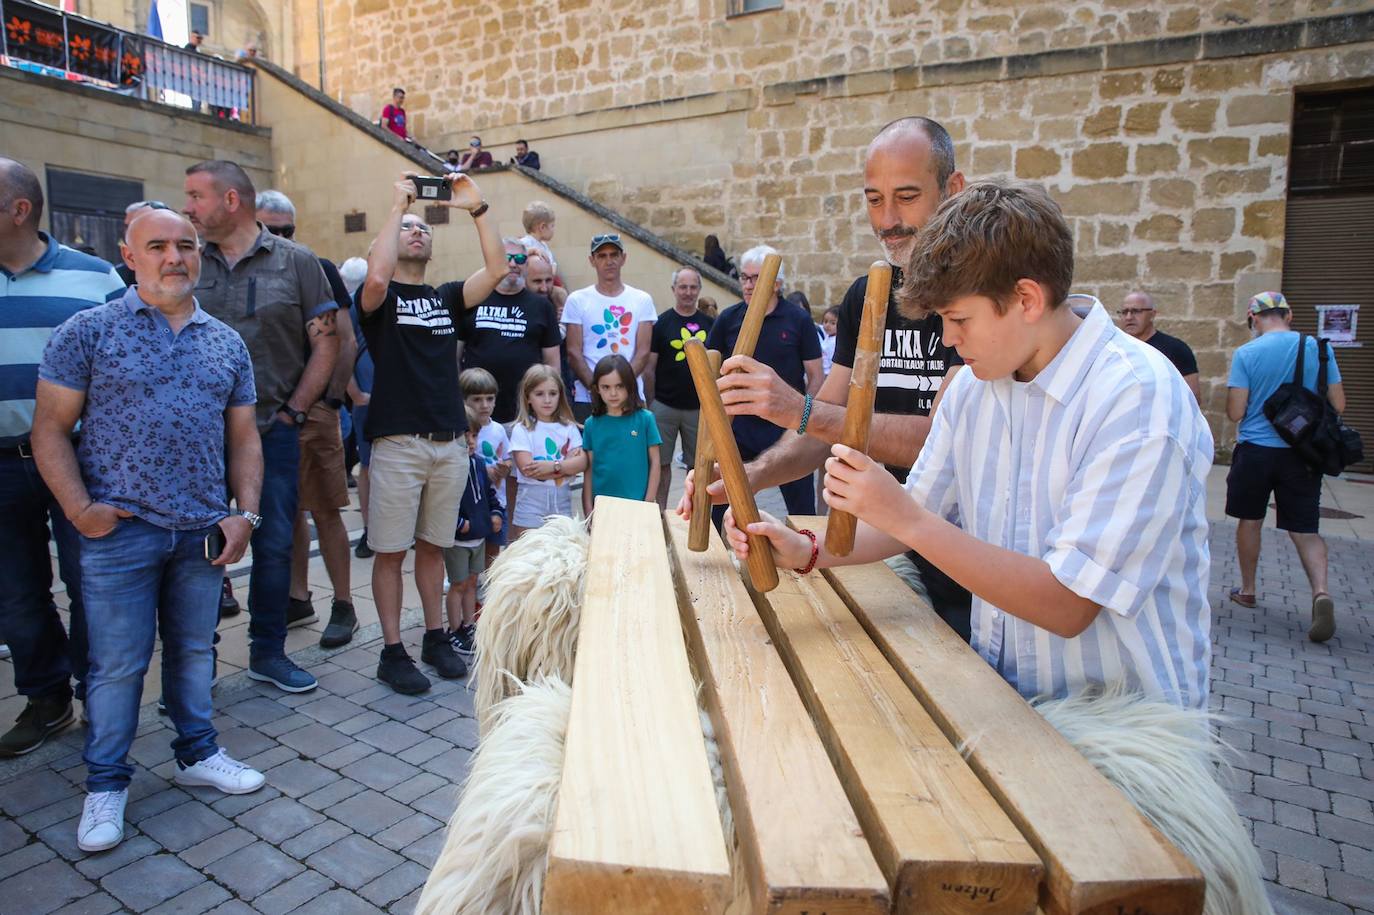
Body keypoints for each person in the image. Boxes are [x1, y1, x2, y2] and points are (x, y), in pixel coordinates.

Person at [720, 181, 1213, 711]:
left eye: (958, 320)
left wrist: (905, 516)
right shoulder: (976, 387)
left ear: (1026, 298)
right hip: (1007, 699)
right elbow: (915, 515)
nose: (950, 340)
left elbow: (1068, 604)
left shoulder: (1137, 400)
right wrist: (807, 551)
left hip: (1117, 721)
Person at [681, 116, 972, 640]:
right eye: (873, 199)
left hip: (970, 559)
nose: (888, 220)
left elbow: (940, 444)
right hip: (886, 547)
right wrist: (744, 479)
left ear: (953, 189)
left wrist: (798, 408)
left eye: (906, 197)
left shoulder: (975, 301)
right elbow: (826, 430)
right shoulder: (867, 294)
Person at [32, 207, 267, 853]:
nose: (174, 257)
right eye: (158, 245)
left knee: (195, 650)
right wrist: (81, 511)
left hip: (199, 532)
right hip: (119, 533)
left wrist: (243, 514)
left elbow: (244, 436)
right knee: (116, 667)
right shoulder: (88, 331)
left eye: (186, 245)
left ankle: (197, 753)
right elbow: (49, 429)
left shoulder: (225, 341)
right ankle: (106, 782)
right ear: (128, 254)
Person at [183, 159, 340, 694]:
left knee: (273, 543)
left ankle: (267, 652)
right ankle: (192, 668)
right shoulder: (186, 261)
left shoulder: (296, 262)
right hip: (195, 436)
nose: (187, 208)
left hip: (272, 429)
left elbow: (327, 341)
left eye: (196, 196)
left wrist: (296, 412)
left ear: (231, 200)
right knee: (194, 550)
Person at [357, 172, 506, 694]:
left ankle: (435, 636)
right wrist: (397, 206)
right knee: (391, 551)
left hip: (449, 444)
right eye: (408, 228)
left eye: (424, 228)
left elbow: (497, 269)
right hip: (399, 443)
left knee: (433, 547)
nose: (418, 232)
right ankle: (392, 650)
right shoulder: (379, 298)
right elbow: (375, 282)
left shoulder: (444, 298)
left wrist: (477, 208)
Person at [0, 158, 122, 758]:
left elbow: (132, 367)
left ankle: (100, 696)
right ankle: (47, 699)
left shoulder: (97, 277)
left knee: (91, 583)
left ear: (19, 210)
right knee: (16, 593)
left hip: (80, 461)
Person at [255, 190, 361, 649]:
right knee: (285, 512)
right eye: (270, 229)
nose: (279, 238)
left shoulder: (317, 267)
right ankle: (298, 597)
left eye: (286, 230)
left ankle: (344, 603)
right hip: (263, 416)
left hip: (313, 411)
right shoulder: (242, 271)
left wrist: (330, 401)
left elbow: (345, 339)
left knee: (326, 508)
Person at [1225, 291, 1345, 642]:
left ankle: (1247, 589)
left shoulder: (1246, 353)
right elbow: (1338, 402)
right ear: (1288, 315)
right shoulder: (1319, 348)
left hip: (1256, 451)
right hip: (1302, 454)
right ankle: (1321, 592)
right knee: (1305, 530)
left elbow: (1235, 412)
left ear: (1253, 318)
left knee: (1250, 520)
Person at [705, 244, 823, 520]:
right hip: (740, 425)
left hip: (784, 426)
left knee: (801, 507)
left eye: (755, 278)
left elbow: (816, 375)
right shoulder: (729, 318)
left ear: (776, 283)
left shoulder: (798, 319)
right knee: (722, 497)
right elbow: (712, 370)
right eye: (744, 277)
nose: (747, 284)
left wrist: (804, 418)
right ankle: (718, 555)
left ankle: (806, 556)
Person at [458, 238, 561, 424]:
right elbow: (453, 357)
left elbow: (552, 365)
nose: (513, 264)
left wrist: (548, 410)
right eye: (506, 257)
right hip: (476, 416)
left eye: (520, 258)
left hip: (525, 416)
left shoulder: (542, 306)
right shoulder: (472, 299)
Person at [562, 233, 657, 421]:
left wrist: (621, 388)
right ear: (592, 260)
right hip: (588, 397)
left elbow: (643, 352)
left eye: (614, 255)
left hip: (631, 395)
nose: (609, 261)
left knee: (631, 451)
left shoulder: (642, 299)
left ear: (623, 258)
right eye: (602, 256)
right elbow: (574, 352)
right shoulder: (577, 300)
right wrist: (598, 389)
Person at [645, 267, 713, 508]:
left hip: (699, 409)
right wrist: (652, 402)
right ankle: (661, 514)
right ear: (674, 289)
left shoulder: (709, 324)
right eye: (682, 287)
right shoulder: (661, 323)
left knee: (698, 468)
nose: (688, 292)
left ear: (699, 290)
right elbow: (650, 367)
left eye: (693, 287)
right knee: (661, 465)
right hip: (665, 406)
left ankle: (692, 515)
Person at [445, 405, 503, 658]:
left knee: (472, 582)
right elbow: (443, 502)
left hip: (479, 536)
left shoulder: (479, 464)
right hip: (459, 540)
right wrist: (459, 523)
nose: (470, 441)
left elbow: (490, 494)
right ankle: (454, 628)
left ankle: (469, 625)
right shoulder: (447, 468)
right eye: (464, 435)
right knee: (457, 584)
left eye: (474, 436)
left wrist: (496, 513)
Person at [509, 364, 586, 539]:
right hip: (530, 502)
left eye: (553, 393)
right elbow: (529, 470)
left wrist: (552, 466)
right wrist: (565, 466)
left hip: (561, 501)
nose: (547, 400)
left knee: (559, 551)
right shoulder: (522, 429)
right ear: (528, 397)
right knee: (528, 552)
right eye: (539, 394)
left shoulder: (568, 427)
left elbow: (581, 463)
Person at [582, 355, 661, 514]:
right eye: (606, 387)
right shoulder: (591, 424)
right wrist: (588, 508)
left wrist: (648, 503)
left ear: (630, 386)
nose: (613, 393)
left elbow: (656, 463)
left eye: (619, 386)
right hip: (603, 507)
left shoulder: (645, 419)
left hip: (637, 505)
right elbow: (589, 469)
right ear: (597, 388)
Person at [339, 256, 375, 558]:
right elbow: (342, 349)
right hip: (369, 402)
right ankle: (368, 529)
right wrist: (356, 394)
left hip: (400, 403)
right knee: (368, 466)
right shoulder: (353, 306)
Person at [461, 368, 513, 560]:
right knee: (466, 546)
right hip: (471, 503)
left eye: (490, 398)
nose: (484, 405)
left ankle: (487, 579)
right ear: (464, 400)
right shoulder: (462, 431)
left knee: (493, 545)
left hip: (496, 500)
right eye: (477, 399)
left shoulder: (498, 429)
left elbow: (508, 458)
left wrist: (504, 468)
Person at [1119, 291, 1200, 401]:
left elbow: (1192, 398)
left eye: (1136, 311)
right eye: (1124, 312)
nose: (1129, 317)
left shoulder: (1176, 349)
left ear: (1152, 315)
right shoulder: (1116, 350)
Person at [518, 201, 558, 276]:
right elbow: (517, 256)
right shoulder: (525, 242)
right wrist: (532, 251)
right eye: (552, 226)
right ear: (542, 227)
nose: (554, 229)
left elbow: (552, 267)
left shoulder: (544, 246)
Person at [818, 304, 840, 376]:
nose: (827, 325)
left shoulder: (835, 342)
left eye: (833, 323)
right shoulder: (828, 336)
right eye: (825, 321)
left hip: (828, 374)